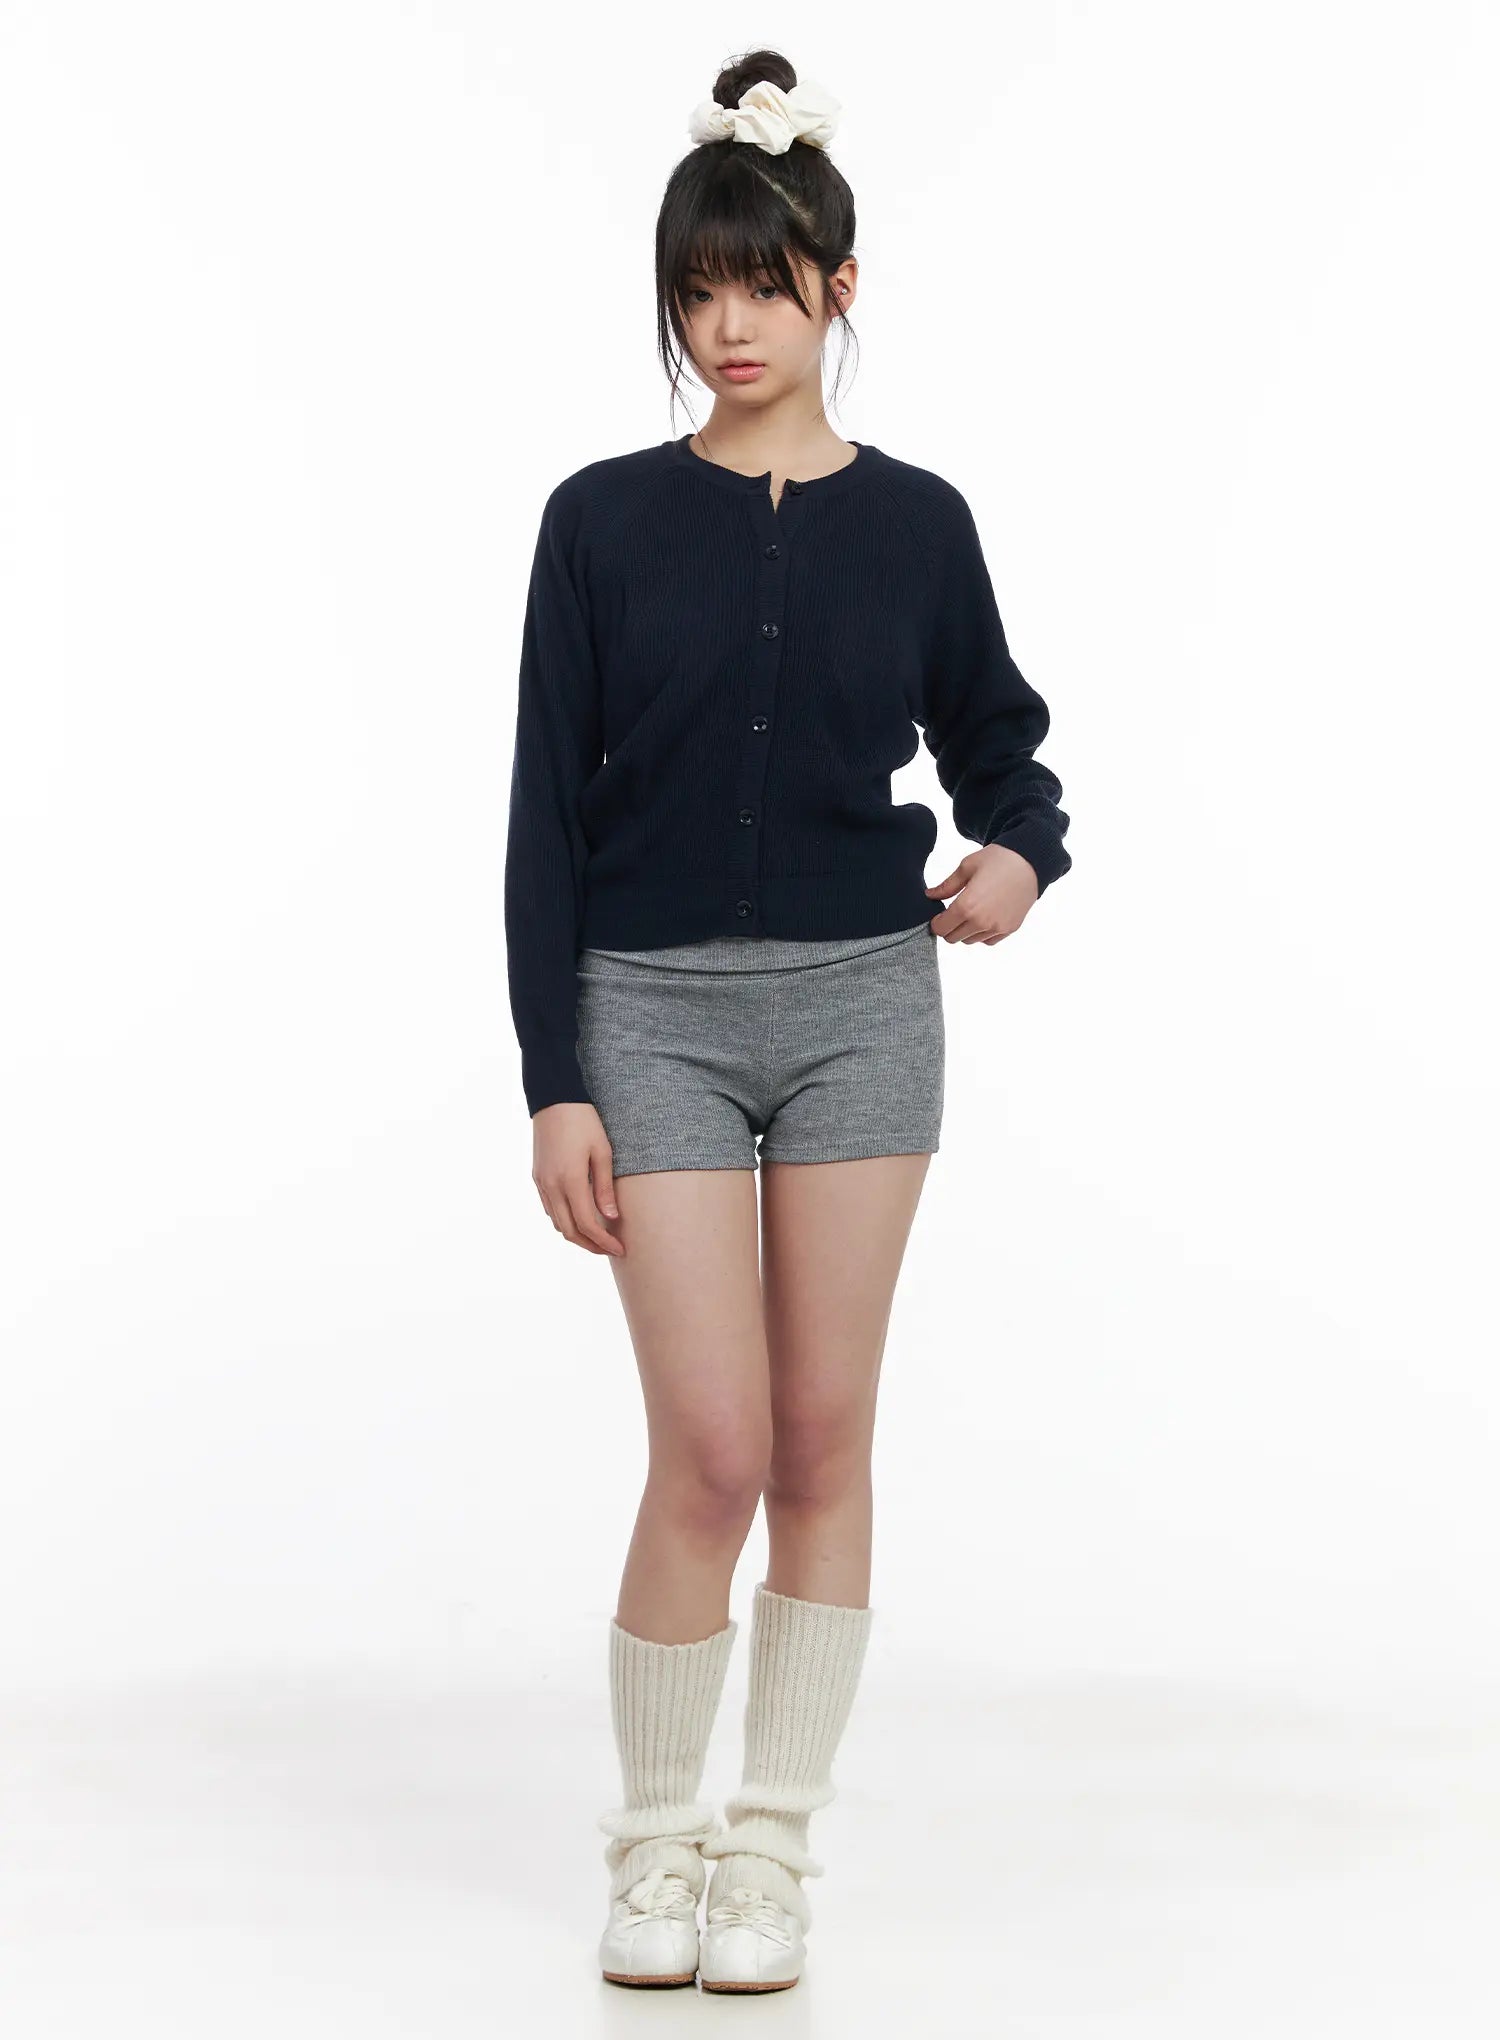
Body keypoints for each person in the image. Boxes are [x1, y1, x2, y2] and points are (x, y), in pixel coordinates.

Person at [502, 49, 1072, 1994]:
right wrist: (556, 1078)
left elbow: (1002, 742)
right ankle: (654, 1841)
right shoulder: (596, 522)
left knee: (824, 1438)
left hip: (859, 1006)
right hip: (646, 1013)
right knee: (713, 1448)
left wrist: (1020, 853)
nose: (727, 325)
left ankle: (768, 1853)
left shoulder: (919, 523)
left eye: (762, 282)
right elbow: (543, 814)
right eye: (696, 289)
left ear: (838, 285)